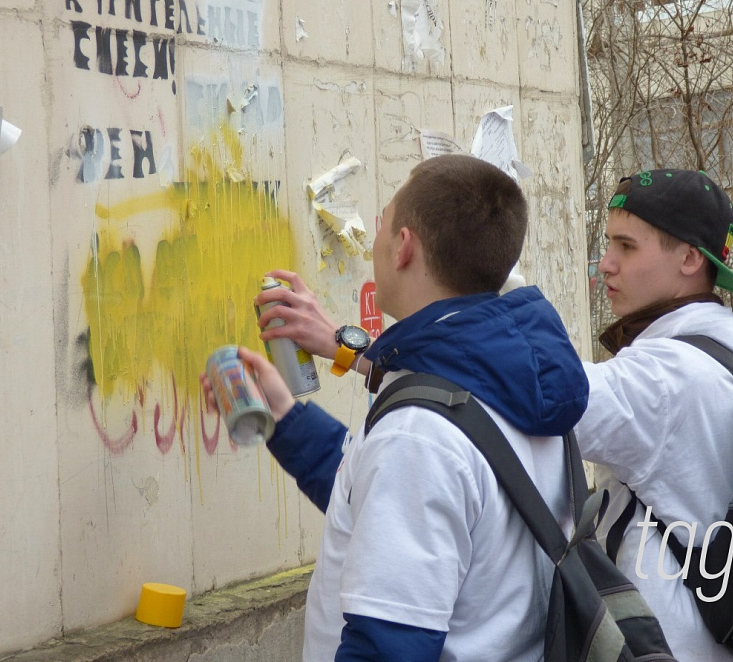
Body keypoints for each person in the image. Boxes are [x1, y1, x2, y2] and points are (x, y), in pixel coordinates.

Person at [202, 153, 589, 662]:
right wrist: (283, 418)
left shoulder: (418, 435)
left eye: (382, 223)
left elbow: (389, 647)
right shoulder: (514, 386)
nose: (376, 242)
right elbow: (376, 503)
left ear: (404, 246)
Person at [574, 168, 733, 662]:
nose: (605, 266)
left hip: (671, 647)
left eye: (626, 247)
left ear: (691, 258)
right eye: (607, 245)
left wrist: (363, 355)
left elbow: (539, 398)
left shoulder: (666, 375)